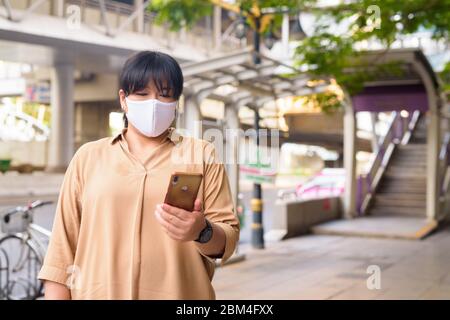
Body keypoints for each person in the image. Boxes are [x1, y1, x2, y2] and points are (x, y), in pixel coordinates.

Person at [38, 51, 240, 300]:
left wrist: (202, 231)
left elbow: (227, 239)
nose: (154, 103)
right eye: (142, 94)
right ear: (123, 99)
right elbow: (61, 254)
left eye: (165, 94)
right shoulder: (88, 157)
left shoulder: (201, 154)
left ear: (176, 102)